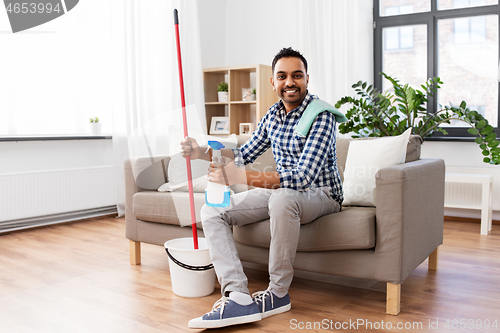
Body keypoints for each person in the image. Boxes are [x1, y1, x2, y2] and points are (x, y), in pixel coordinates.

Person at [181, 47, 343, 329]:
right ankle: (237, 295)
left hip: (321, 194)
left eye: (297, 75)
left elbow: (303, 177)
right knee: (213, 210)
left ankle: (278, 293)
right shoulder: (273, 115)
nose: (289, 82)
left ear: (307, 79)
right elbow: (243, 153)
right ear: (273, 82)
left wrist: (237, 176)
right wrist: (201, 151)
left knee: (282, 200)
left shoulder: (321, 115)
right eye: (282, 76)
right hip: (282, 191)